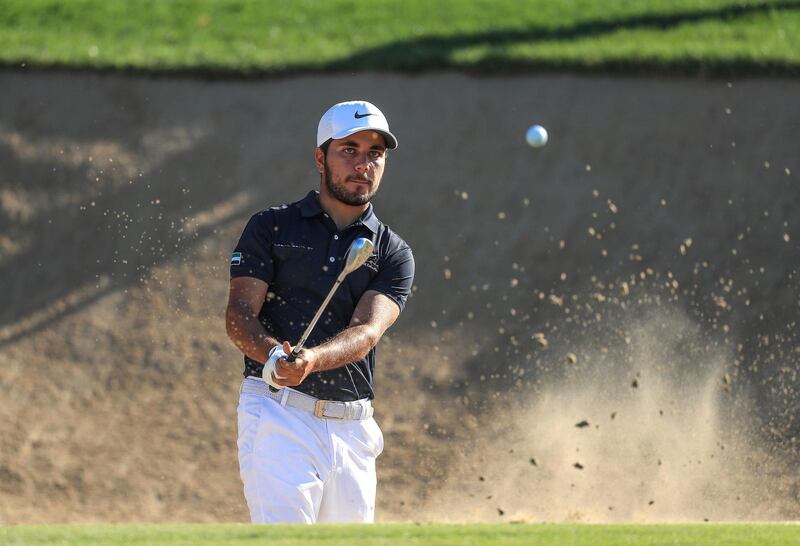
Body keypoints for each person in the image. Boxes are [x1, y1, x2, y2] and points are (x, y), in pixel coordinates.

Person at [225, 100, 415, 524]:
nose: (363, 164)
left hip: (354, 428)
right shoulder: (271, 227)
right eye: (349, 149)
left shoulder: (393, 252)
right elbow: (239, 314)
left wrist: (311, 360)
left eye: (375, 154)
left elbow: (367, 331)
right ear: (320, 157)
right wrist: (275, 356)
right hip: (280, 412)